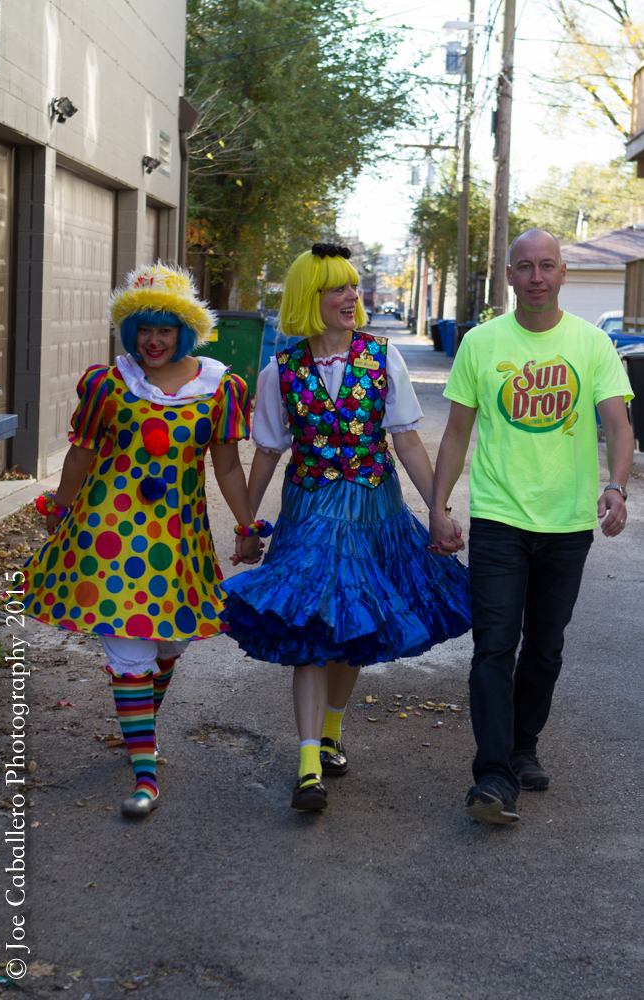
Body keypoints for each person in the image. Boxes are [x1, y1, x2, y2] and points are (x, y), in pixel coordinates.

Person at [221, 243, 471, 812]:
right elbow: (266, 451)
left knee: (354, 622)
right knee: (312, 627)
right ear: (311, 299)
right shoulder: (279, 370)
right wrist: (247, 522)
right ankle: (308, 763)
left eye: (354, 287)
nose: (352, 297)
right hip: (309, 510)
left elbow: (406, 439)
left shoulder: (384, 356)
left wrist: (437, 508)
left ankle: (331, 733)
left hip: (372, 512)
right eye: (338, 289)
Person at [22, 264, 262, 817]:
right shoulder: (108, 385)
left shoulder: (219, 388)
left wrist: (248, 526)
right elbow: (82, 453)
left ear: (185, 331)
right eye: (143, 330)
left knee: (168, 645)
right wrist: (58, 507)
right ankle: (145, 769)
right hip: (108, 535)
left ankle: (140, 729)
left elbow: (226, 466)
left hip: (178, 541)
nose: (153, 341)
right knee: (128, 646)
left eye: (166, 330)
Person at [429, 228, 634, 825]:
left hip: (568, 522)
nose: (537, 277)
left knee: (545, 647)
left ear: (563, 273)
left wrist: (616, 488)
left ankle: (523, 748)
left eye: (547, 266)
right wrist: (439, 507)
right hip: (500, 517)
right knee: (494, 646)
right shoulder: (482, 343)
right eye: (525, 267)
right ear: (510, 276)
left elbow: (619, 427)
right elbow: (459, 432)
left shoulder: (592, 344)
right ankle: (492, 777)